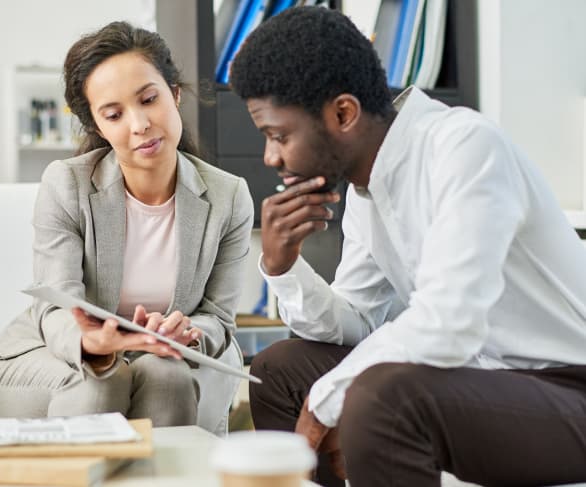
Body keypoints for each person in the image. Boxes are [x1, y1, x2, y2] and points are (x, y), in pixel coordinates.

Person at [229, 6, 586, 487]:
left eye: (278, 135)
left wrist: (325, 400)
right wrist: (282, 265)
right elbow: (360, 322)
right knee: (279, 370)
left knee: (381, 398)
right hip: (477, 375)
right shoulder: (364, 189)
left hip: (567, 387)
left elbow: (449, 325)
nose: (271, 157)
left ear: (343, 113)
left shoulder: (465, 145)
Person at [0, 21, 253, 433]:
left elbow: (219, 318)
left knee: (171, 378)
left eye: (149, 99)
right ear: (98, 127)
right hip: (42, 360)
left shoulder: (228, 197)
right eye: (114, 114)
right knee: (103, 381)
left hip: (152, 361)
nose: (139, 124)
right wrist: (93, 345)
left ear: (174, 95)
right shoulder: (67, 184)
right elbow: (55, 305)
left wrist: (189, 331)